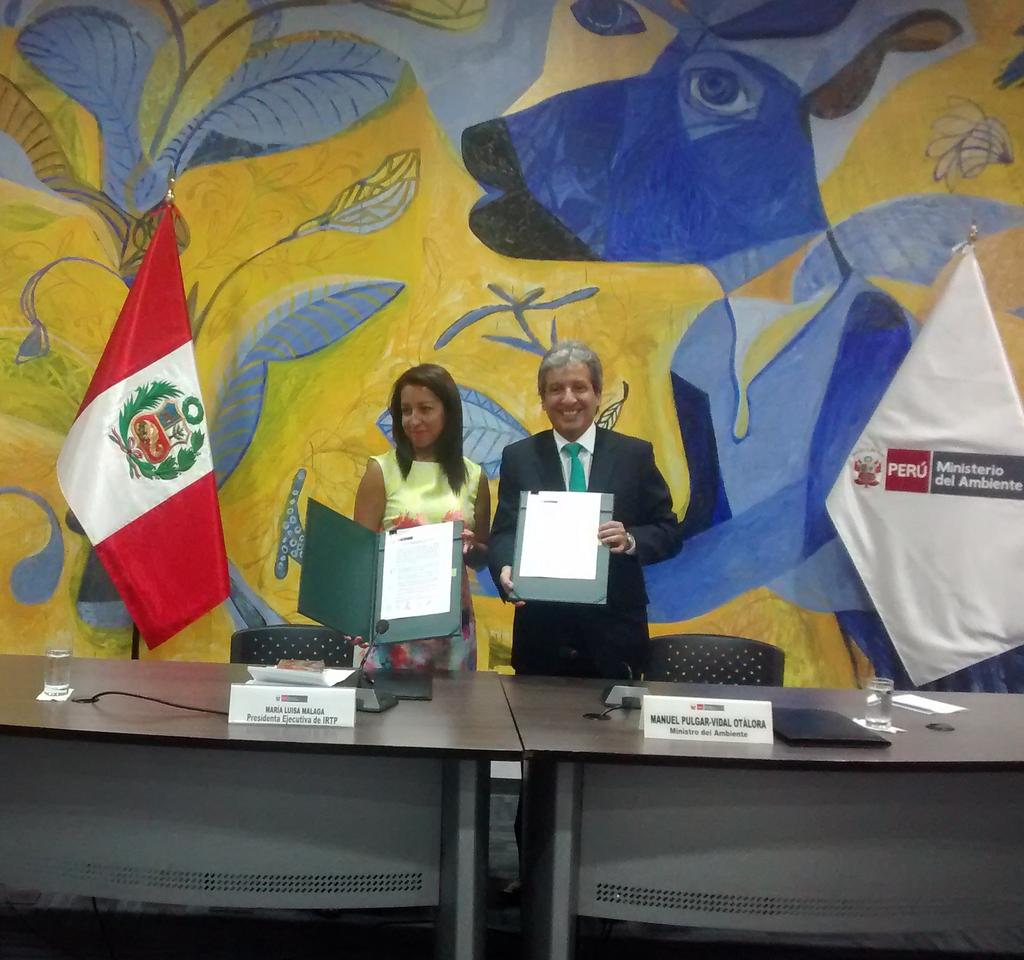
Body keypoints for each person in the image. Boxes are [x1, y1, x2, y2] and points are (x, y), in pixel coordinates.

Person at [489, 341, 682, 679]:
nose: (568, 399)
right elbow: (505, 532)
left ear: (597, 394)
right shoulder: (519, 457)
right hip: (542, 637)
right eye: (555, 389)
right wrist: (505, 566)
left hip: (616, 638)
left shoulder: (634, 456)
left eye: (579, 387)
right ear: (543, 399)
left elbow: (668, 531)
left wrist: (631, 540)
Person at [353, 363, 490, 671]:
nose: (413, 420)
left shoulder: (474, 477)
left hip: (453, 634)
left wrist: (472, 548)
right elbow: (359, 555)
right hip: (392, 632)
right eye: (406, 411)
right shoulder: (381, 471)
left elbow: (483, 557)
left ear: (448, 413)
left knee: (455, 704)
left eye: (425, 409)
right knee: (386, 704)